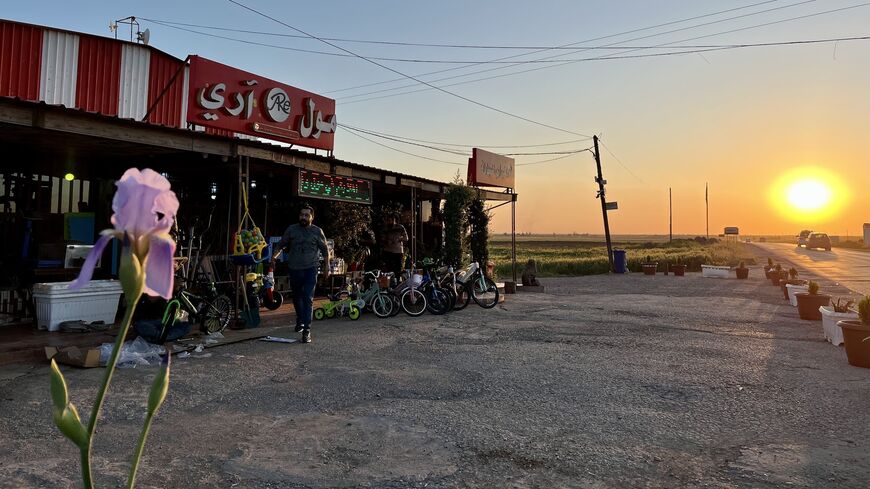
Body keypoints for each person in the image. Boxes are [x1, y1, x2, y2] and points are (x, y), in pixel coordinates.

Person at [272, 204, 329, 343]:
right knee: (297, 297)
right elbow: (281, 244)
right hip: (294, 268)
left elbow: (325, 250)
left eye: (306, 215)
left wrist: (327, 267)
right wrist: (273, 257)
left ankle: (307, 330)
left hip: (311, 269)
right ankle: (300, 319)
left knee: (308, 298)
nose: (303, 217)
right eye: (301, 215)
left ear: (312, 217)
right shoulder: (292, 229)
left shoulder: (317, 231)